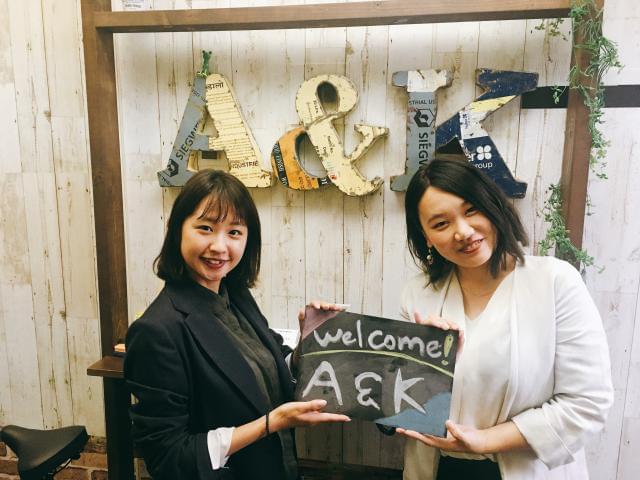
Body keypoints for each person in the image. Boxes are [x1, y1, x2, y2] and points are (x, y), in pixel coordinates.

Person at [124, 169, 349, 480]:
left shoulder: (236, 295)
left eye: (234, 232)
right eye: (205, 228)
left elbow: (268, 371)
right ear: (177, 230)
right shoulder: (156, 331)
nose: (220, 246)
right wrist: (270, 423)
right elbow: (168, 457)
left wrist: (306, 344)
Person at [397, 159, 613, 480]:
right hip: (437, 469)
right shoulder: (418, 293)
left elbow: (587, 403)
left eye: (472, 210)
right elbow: (404, 400)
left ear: (492, 206)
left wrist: (485, 441)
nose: (463, 232)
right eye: (441, 224)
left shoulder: (554, 281)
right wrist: (424, 363)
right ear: (425, 236)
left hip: (526, 469)